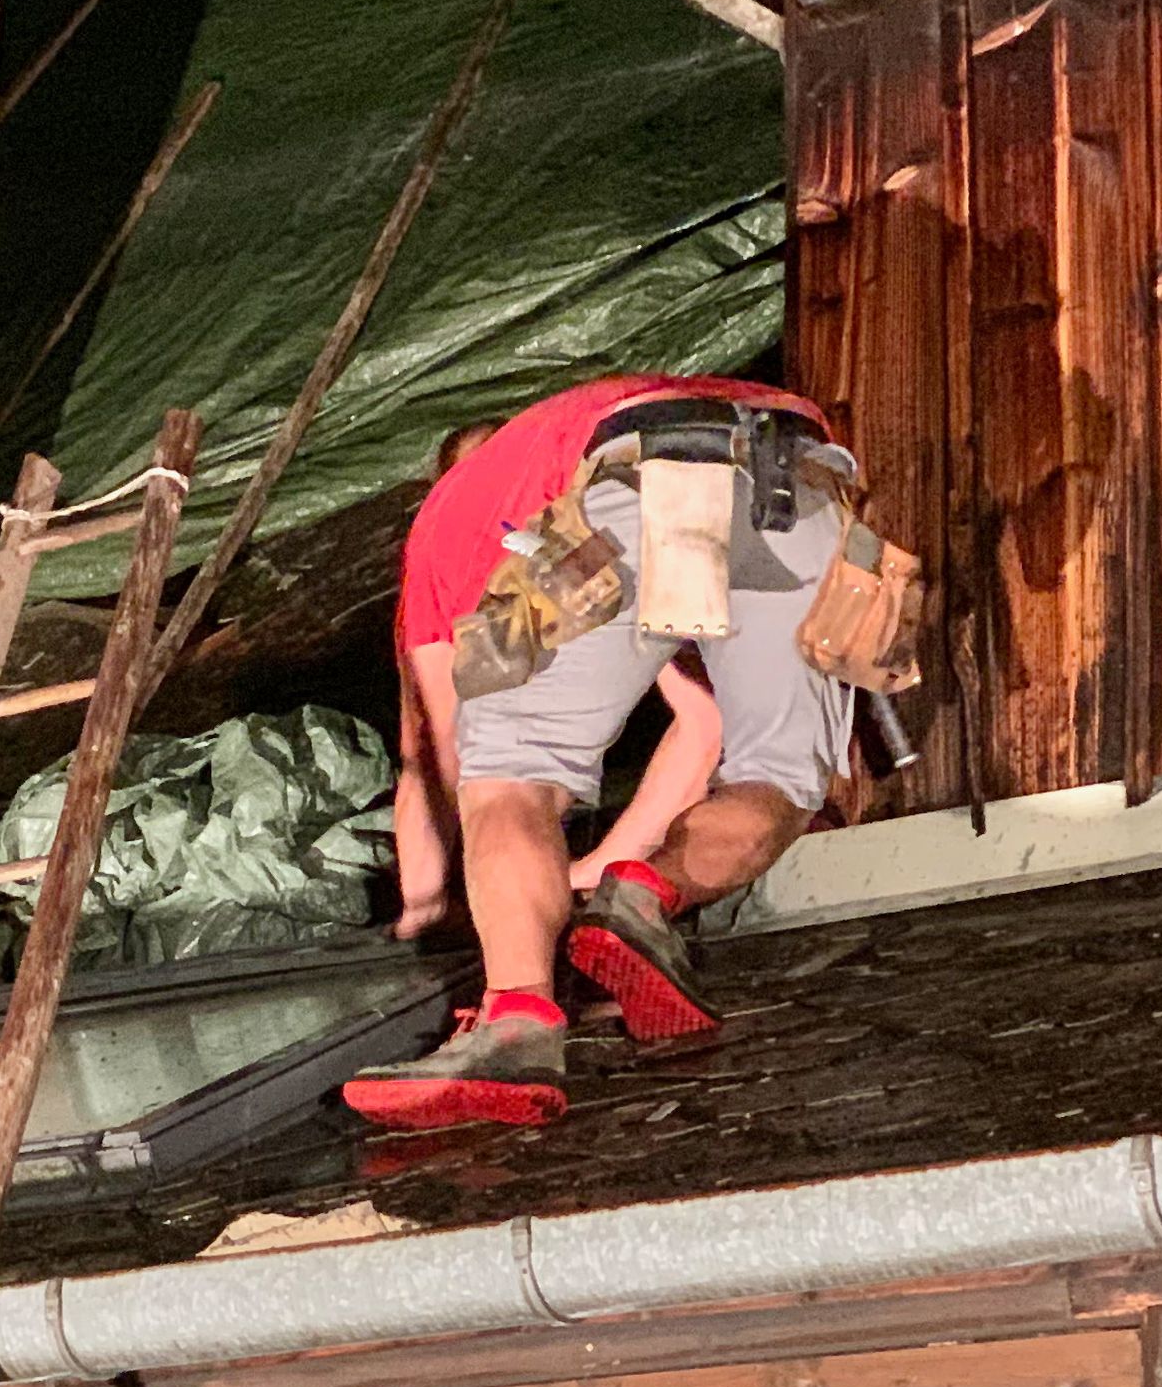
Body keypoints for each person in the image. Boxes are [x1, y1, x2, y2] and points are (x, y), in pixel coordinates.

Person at [347, 373, 862, 1129]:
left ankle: (516, 1022)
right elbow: (702, 725)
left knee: (514, 774)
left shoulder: (446, 526)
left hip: (638, 473)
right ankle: (649, 898)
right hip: (803, 474)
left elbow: (435, 750)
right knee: (781, 778)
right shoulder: (548, 430)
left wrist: (433, 902)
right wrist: (610, 871)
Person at [387, 423, 724, 942]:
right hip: (504, 765)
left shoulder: (592, 540)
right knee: (457, 760)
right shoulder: (446, 561)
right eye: (479, 483)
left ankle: (598, 884)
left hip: (585, 585)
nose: (497, 498)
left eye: (505, 476)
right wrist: (429, 907)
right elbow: (431, 753)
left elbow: (705, 720)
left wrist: (593, 871)